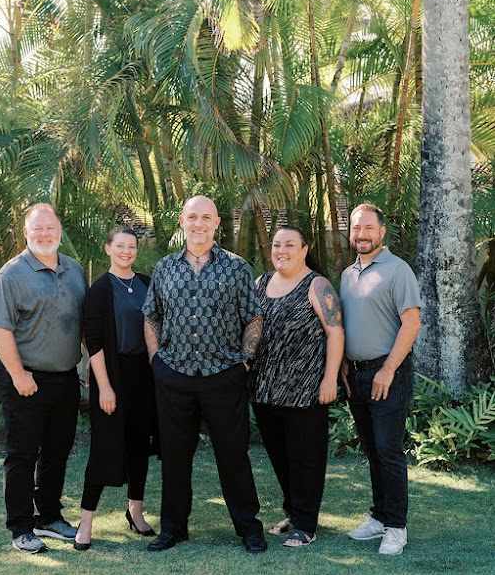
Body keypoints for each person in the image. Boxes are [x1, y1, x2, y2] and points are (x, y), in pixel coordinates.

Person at [142, 195, 267, 553]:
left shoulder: (236, 268)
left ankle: (248, 528)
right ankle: (173, 528)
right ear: (182, 221)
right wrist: (156, 361)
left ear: (216, 224)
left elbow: (253, 316)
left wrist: (243, 360)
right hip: (175, 375)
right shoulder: (166, 268)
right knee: (175, 456)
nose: (199, 223)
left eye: (206, 217)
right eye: (192, 217)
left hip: (223, 375)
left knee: (233, 455)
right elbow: (151, 315)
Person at [0, 203, 87, 553]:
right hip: (25, 378)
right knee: (22, 454)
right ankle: (21, 527)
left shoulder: (74, 270)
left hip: (65, 378)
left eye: (50, 228)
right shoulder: (11, 275)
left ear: (59, 230)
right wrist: (18, 374)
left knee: (58, 451)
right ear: (26, 234)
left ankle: (49, 517)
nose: (44, 234)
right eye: (37, 229)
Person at [250, 227, 344, 547]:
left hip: (306, 390)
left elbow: (335, 333)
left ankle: (306, 525)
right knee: (280, 457)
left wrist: (329, 379)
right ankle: (293, 511)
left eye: (290, 244)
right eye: (277, 244)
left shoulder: (316, 285)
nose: (282, 250)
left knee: (307, 459)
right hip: (265, 390)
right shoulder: (261, 284)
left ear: (304, 249)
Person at [340, 203, 421, 556]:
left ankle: (396, 528)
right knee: (372, 449)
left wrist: (387, 369)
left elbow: (412, 323)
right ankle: (378, 516)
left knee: (388, 450)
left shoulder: (397, 270)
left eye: (368, 228)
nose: (362, 234)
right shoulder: (347, 274)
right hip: (356, 375)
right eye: (356, 228)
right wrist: (343, 364)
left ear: (382, 232)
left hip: (388, 373)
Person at [74, 227, 158, 550]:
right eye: (120, 246)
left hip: (143, 376)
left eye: (131, 246)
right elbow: (93, 343)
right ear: (108, 248)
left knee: (139, 446)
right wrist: (105, 388)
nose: (126, 251)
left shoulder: (146, 284)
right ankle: (85, 522)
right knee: (104, 447)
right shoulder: (99, 290)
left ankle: (135, 511)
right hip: (111, 375)